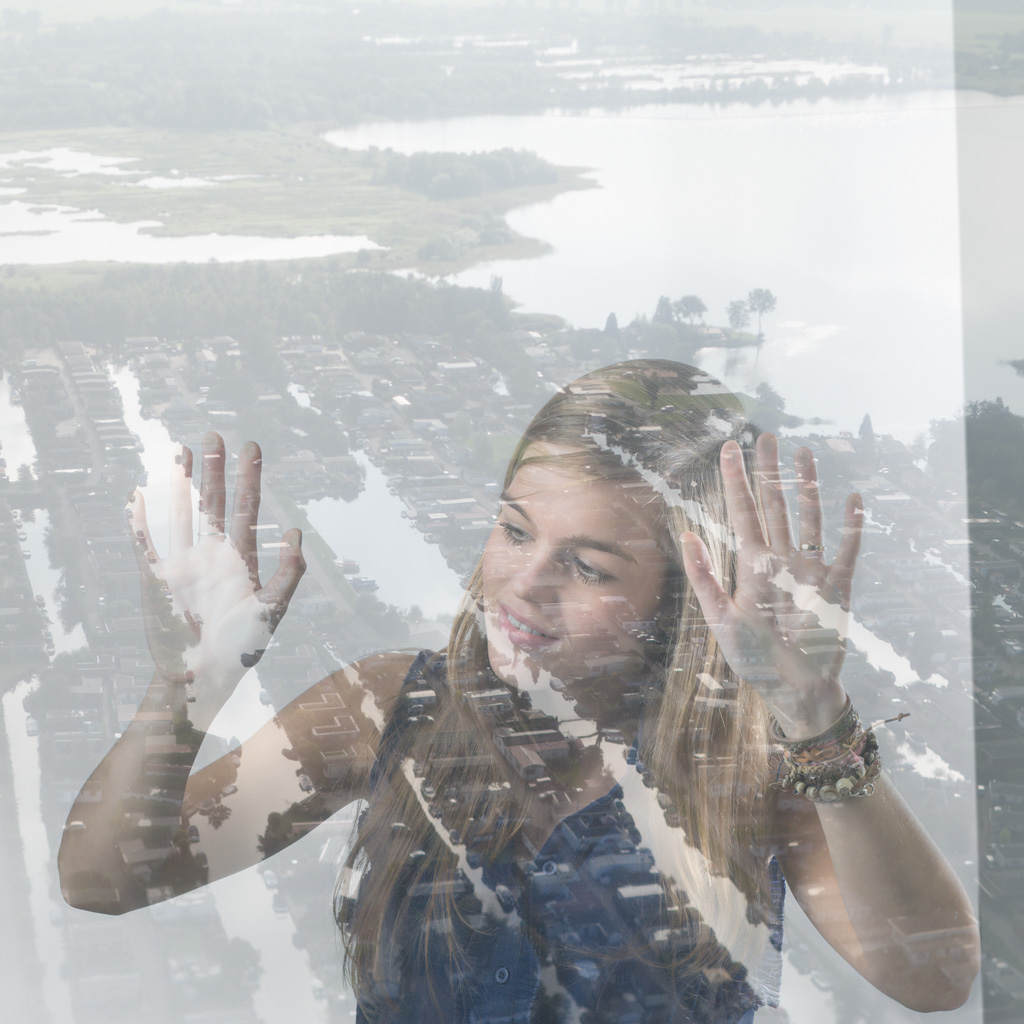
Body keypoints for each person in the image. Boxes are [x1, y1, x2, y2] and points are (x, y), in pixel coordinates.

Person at [58, 360, 979, 1022]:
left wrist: (817, 721)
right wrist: (186, 684)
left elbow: (933, 980)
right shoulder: (386, 709)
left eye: (584, 563)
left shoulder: (756, 768)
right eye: (514, 530)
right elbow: (106, 880)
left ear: (684, 602)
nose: (523, 584)